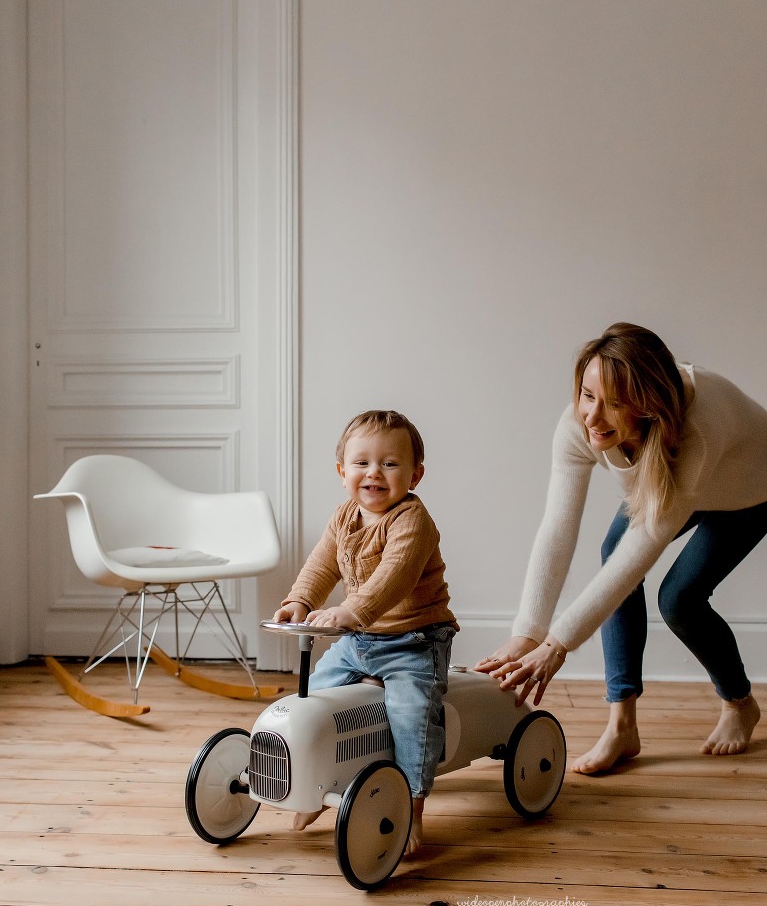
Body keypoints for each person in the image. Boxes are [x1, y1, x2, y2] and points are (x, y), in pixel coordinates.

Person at [475, 322, 766, 774]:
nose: (591, 417)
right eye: (588, 395)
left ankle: (739, 703)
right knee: (613, 552)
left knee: (679, 600)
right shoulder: (578, 423)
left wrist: (558, 644)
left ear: (650, 407)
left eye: (614, 404)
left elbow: (640, 553)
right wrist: (527, 632)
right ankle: (622, 726)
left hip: (750, 491)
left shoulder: (699, 432)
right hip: (674, 482)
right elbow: (557, 528)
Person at [273, 409, 458, 855]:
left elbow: (393, 577)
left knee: (412, 716)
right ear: (342, 472)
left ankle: (412, 803)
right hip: (358, 642)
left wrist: (350, 610)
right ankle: (316, 783)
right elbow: (322, 564)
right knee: (312, 698)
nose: (374, 472)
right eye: (362, 463)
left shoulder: (412, 520)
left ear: (415, 475)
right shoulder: (344, 517)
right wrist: (300, 600)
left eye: (390, 464)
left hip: (414, 642)